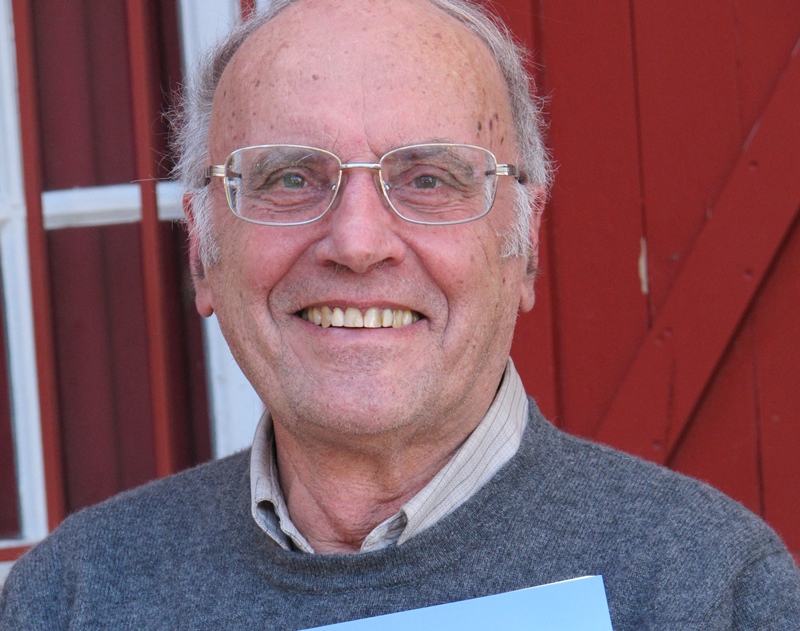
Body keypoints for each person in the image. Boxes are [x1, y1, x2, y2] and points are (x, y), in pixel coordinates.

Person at [2, 0, 799, 628]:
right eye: (287, 178)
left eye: (427, 179)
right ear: (204, 253)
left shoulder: (714, 591)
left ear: (521, 246)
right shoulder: (69, 600)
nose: (355, 242)